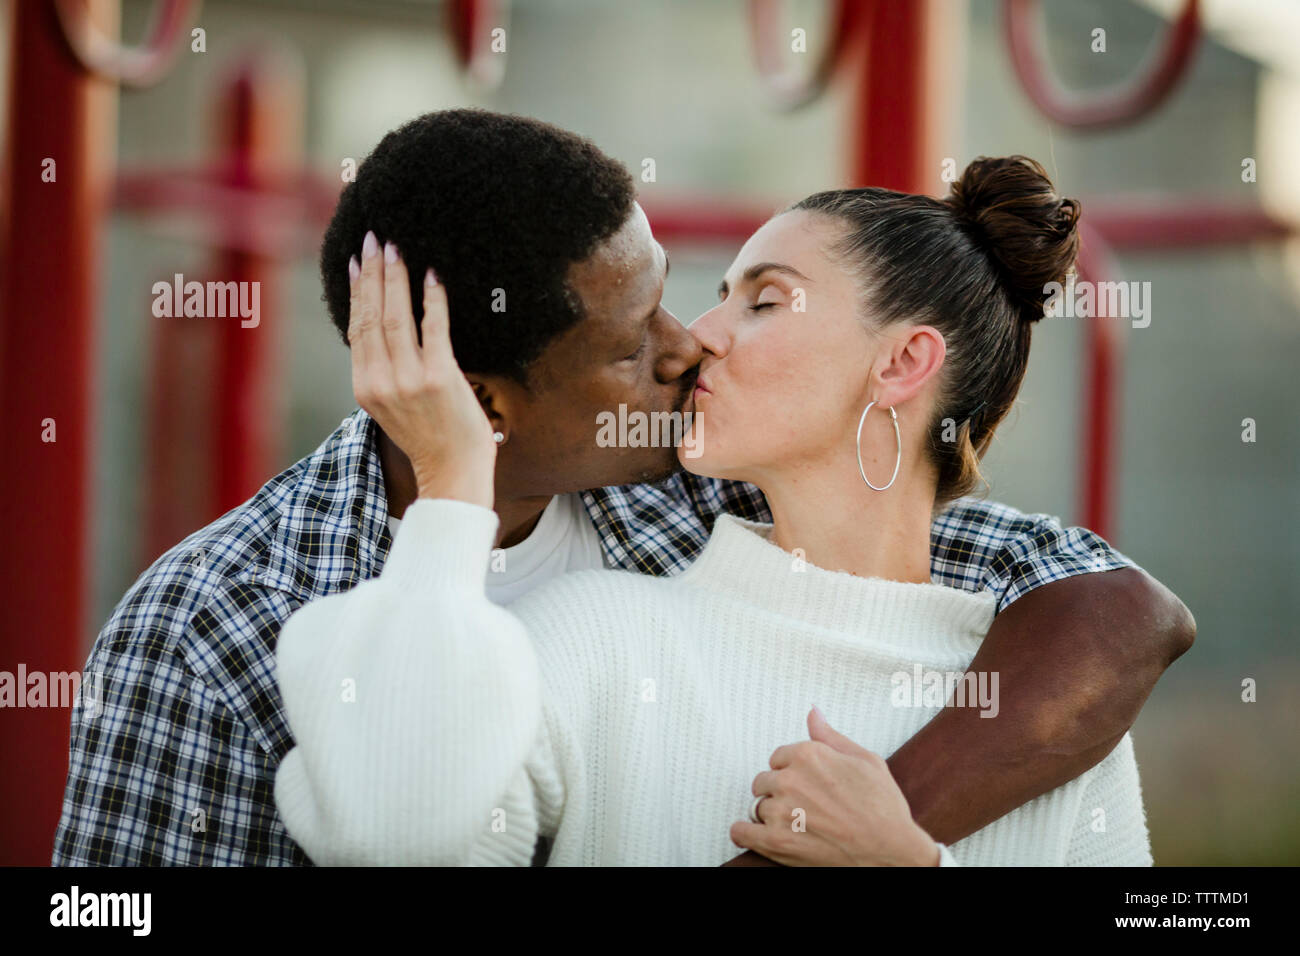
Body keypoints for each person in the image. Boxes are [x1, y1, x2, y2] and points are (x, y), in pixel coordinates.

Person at [54, 110, 1192, 867]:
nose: (687, 344)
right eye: (627, 343)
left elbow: (1115, 606)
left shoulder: (706, 492)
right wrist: (455, 491)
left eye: (711, 296)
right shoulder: (214, 620)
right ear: (485, 400)